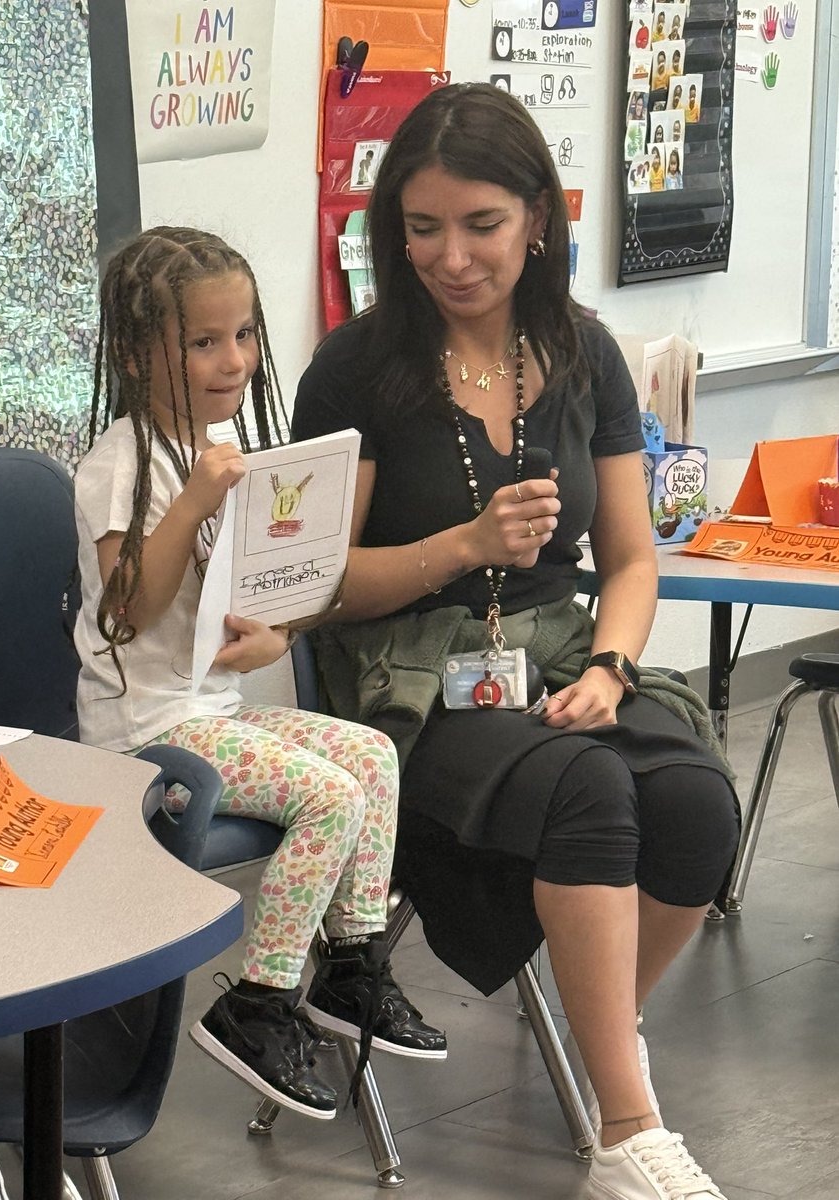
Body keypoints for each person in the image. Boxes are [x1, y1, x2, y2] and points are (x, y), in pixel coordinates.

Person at [292, 83, 739, 1200]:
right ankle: (626, 1131)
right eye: (422, 227)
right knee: (589, 789)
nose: (451, 257)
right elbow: (316, 590)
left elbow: (631, 561)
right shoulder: (355, 370)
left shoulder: (581, 350)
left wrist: (610, 667)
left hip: (556, 648)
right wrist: (461, 542)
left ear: (538, 217)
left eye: (481, 225)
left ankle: (603, 1032)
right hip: (405, 682)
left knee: (694, 801)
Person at [73, 226, 445, 1121]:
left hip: (214, 709)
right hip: (146, 734)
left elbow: (285, 592)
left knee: (370, 758)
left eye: (244, 336)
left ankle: (351, 964)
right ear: (134, 352)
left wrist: (277, 637)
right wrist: (199, 496)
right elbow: (130, 611)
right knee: (329, 797)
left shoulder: (230, 445)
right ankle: (261, 999)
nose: (233, 359)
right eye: (204, 341)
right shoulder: (115, 467)